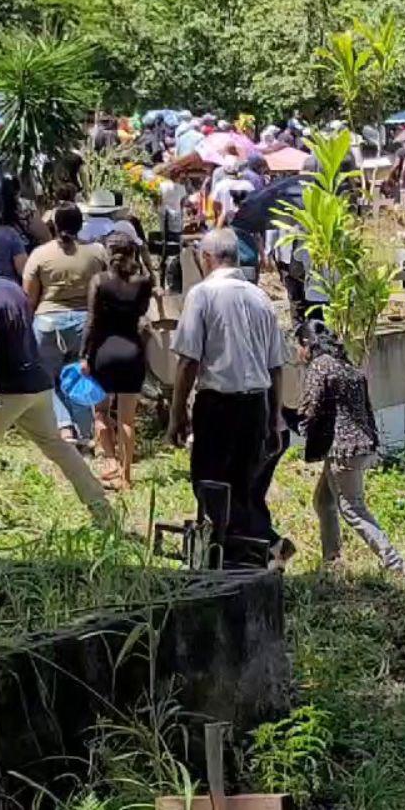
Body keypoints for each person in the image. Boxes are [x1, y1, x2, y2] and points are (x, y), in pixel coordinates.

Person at [0, 241, 112, 537]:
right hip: (38, 385)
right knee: (58, 447)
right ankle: (103, 511)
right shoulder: (12, 288)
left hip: (8, 389)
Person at [168, 228, 285, 562]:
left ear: (207, 258)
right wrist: (274, 417)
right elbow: (276, 366)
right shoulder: (259, 297)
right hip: (256, 403)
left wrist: (178, 414)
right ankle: (243, 555)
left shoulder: (202, 295)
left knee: (210, 484)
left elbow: (188, 361)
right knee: (242, 484)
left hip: (219, 403)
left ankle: (259, 547)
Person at [297, 319, 405, 576]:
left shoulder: (320, 366)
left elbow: (310, 409)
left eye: (298, 347)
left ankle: (396, 564)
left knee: (352, 509)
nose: (298, 354)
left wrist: (284, 418)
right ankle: (332, 559)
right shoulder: (346, 365)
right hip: (361, 445)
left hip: (342, 450)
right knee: (322, 500)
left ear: (306, 343)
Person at [23, 202, 107, 444]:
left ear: (55, 225)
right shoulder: (97, 252)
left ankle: (64, 426)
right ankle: (84, 431)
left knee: (47, 381)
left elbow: (29, 297)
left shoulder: (40, 255)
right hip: (85, 323)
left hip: (48, 322)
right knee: (79, 377)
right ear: (81, 225)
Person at [80, 233, 153, 489]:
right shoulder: (143, 282)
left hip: (103, 352)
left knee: (100, 412)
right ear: (133, 253)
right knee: (127, 420)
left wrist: (84, 355)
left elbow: (91, 321)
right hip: (132, 350)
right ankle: (126, 475)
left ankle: (110, 461)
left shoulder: (99, 281)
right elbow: (143, 312)